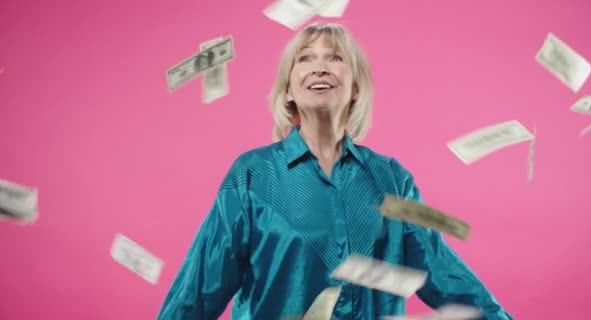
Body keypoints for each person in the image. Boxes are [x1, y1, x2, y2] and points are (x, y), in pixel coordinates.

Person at [157, 22, 514, 320]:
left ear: (356, 87)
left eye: (335, 58)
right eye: (306, 58)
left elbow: (444, 274)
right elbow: (199, 288)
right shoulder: (251, 175)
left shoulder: (394, 179)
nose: (320, 67)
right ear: (287, 90)